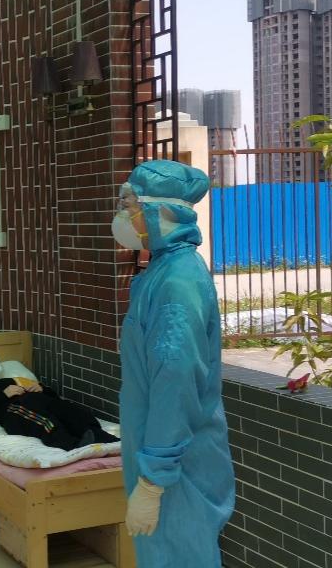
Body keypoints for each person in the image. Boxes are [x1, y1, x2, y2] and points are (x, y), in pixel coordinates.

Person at [113, 160, 234, 567]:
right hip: (158, 454)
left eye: (129, 204)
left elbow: (175, 385)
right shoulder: (161, 271)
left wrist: (153, 481)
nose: (123, 215)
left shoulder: (178, 283)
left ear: (160, 211)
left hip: (175, 469)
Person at [0, 353, 119, 451]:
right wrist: (3, 395)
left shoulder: (16, 379)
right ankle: (73, 445)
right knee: (44, 420)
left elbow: (54, 397)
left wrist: (41, 388)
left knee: (68, 410)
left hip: (39, 399)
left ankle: (102, 437)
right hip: (15, 410)